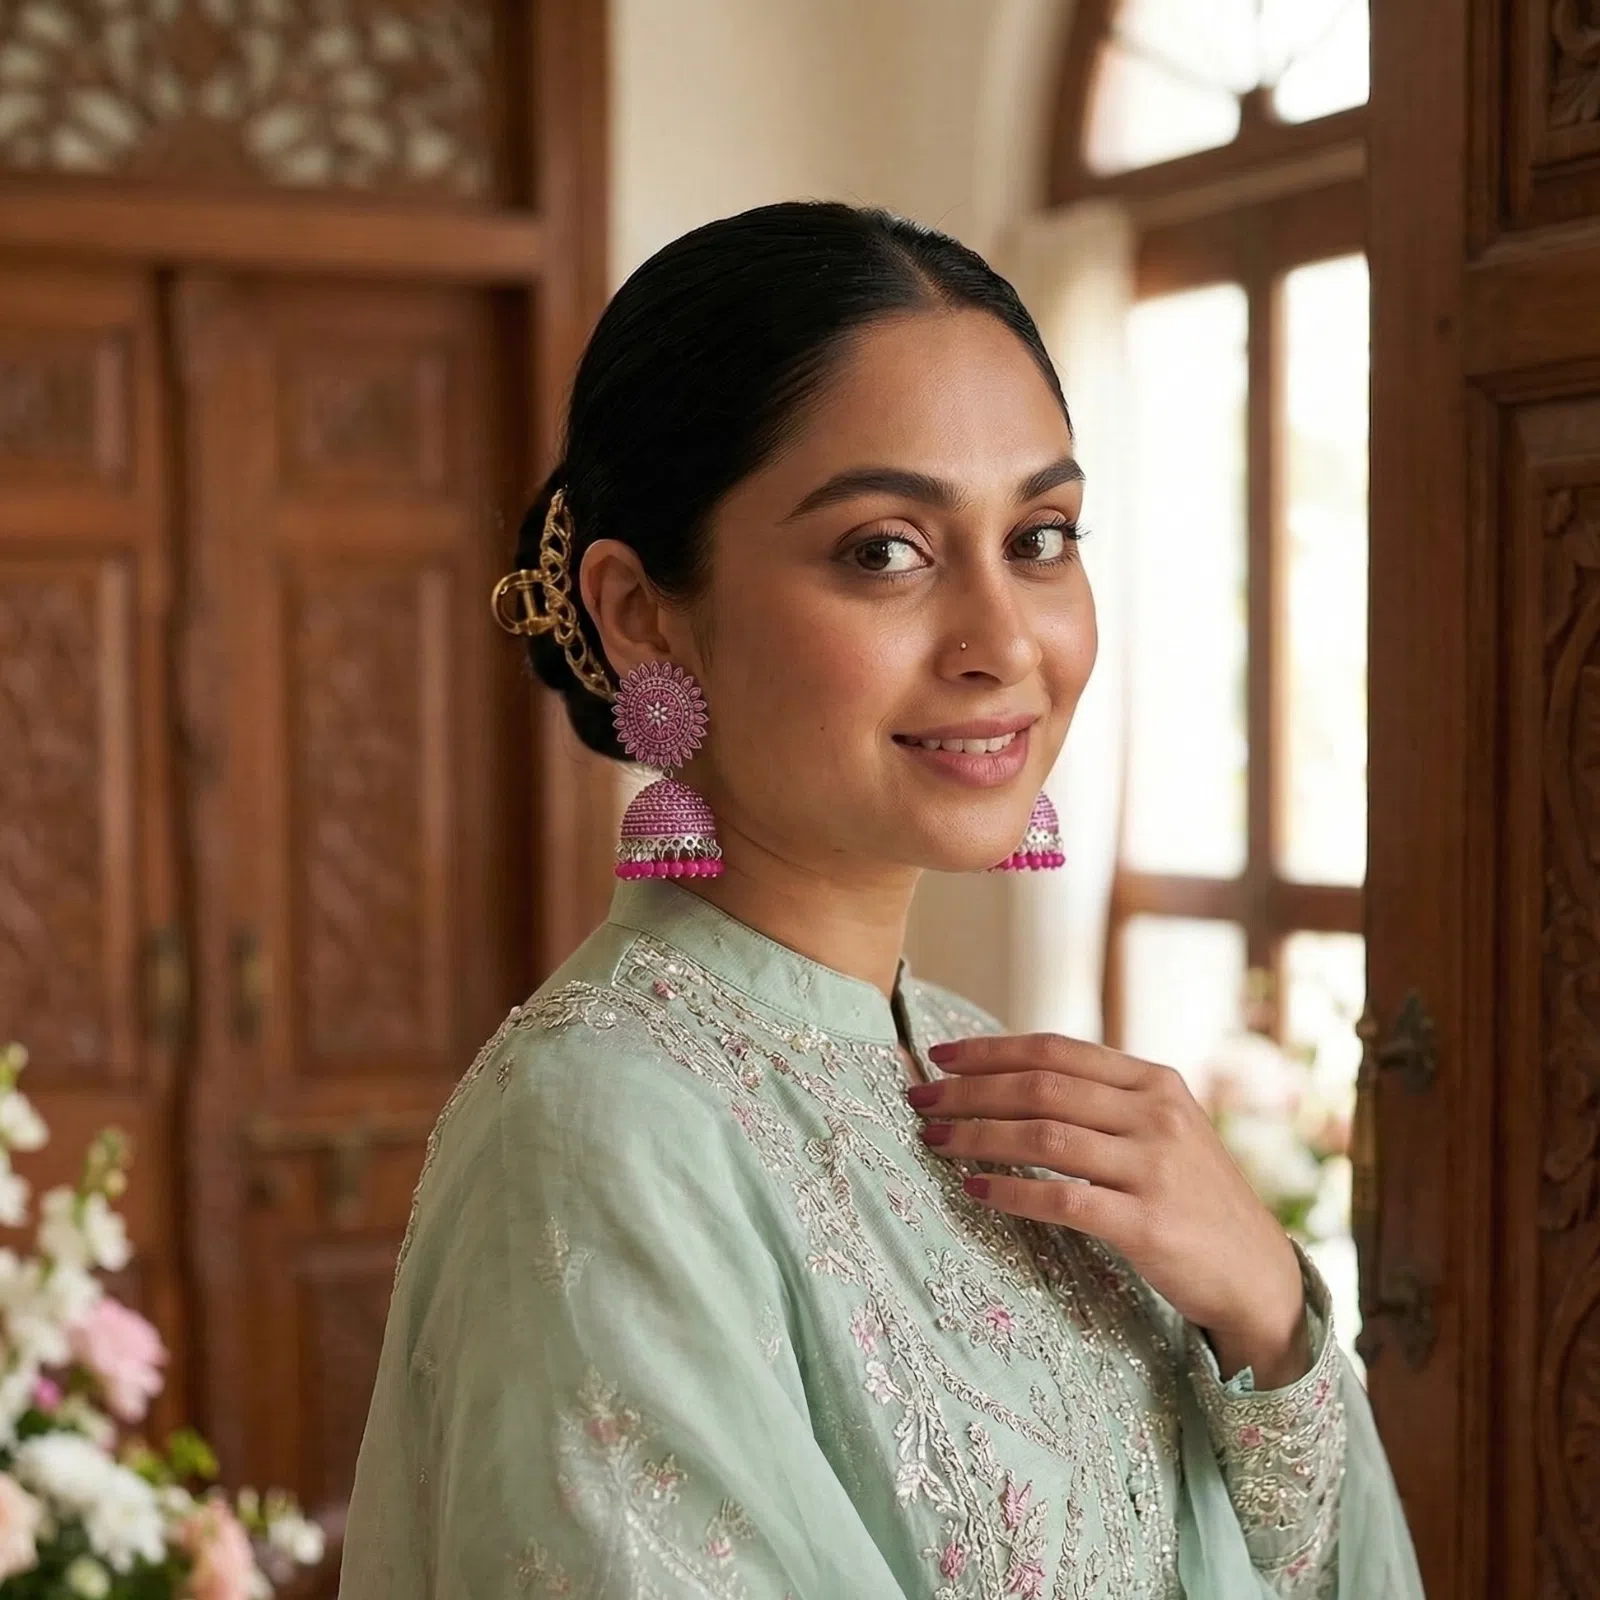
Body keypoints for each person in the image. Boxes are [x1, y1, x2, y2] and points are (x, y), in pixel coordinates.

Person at [339, 201, 1424, 1599]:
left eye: (1041, 534)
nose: (1001, 640)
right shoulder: (604, 1126)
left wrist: (1268, 1317)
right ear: (641, 613)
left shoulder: (998, 1076)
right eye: (886, 551)